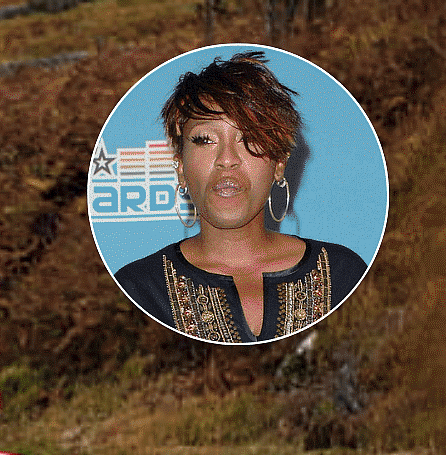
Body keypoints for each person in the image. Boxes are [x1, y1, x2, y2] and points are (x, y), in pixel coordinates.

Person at [112, 51, 367, 343]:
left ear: (279, 164)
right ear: (181, 167)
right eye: (205, 140)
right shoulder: (137, 289)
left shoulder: (344, 274)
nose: (227, 160)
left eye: (249, 139)